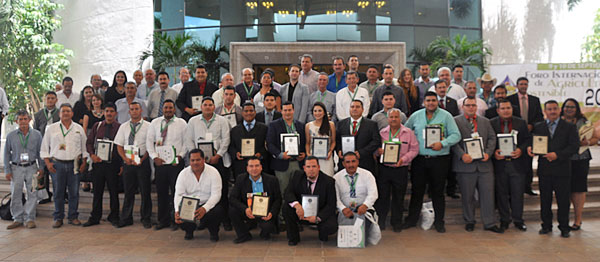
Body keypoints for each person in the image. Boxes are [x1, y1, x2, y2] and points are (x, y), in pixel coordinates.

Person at [402, 91, 461, 233]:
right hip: (420, 160)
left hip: (439, 160)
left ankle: (439, 222)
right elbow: (406, 131)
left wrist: (443, 143)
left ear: (437, 102)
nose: (431, 103)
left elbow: (456, 135)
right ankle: (412, 220)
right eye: (428, 100)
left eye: (433, 100)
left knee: (438, 192)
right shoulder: (416, 116)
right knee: (417, 191)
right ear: (424, 102)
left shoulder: (446, 116)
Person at [528, 100, 579, 238]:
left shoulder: (569, 127)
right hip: (545, 170)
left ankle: (564, 227)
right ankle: (546, 226)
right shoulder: (539, 127)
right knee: (545, 200)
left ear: (559, 110)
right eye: (549, 109)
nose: (552, 111)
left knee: (563, 200)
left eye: (555, 109)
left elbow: (574, 147)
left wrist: (557, 155)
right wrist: (531, 149)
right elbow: (535, 145)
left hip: (562, 169)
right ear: (545, 111)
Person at [452, 97, 503, 233]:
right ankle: (469, 220)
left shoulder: (485, 122)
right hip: (465, 165)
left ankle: (489, 222)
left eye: (473, 105)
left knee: (488, 195)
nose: (471, 108)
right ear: (462, 107)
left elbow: (492, 138)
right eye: (468, 105)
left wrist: (488, 153)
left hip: (484, 165)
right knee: (467, 196)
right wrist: (462, 155)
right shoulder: (455, 121)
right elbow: (453, 141)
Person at [185, 97, 232, 231]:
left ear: (214, 106)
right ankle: (201, 218)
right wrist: (196, 158)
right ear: (201, 106)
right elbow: (189, 140)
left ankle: (225, 220)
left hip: (218, 160)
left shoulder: (222, 121)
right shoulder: (193, 121)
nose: (207, 107)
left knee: (221, 191)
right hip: (199, 163)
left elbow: (226, 139)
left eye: (210, 105)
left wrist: (218, 155)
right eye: (205, 105)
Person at [40, 104, 88, 228]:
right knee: (58, 193)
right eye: (63, 111)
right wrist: (48, 163)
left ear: (72, 113)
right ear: (59, 114)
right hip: (57, 164)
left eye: (68, 111)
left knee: (74, 193)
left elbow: (84, 147)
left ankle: (73, 216)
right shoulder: (51, 128)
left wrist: (84, 162)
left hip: (74, 165)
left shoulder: (78, 128)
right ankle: (58, 217)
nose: (65, 113)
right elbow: (44, 147)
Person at [373, 108, 418, 231]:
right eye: (391, 117)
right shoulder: (382, 132)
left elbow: (414, 150)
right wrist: (378, 151)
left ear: (401, 118)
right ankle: (381, 221)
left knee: (399, 197)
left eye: (396, 117)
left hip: (400, 169)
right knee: (383, 197)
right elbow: (375, 150)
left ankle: (396, 222)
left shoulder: (408, 133)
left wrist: (404, 159)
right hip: (384, 169)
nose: (393, 119)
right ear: (388, 119)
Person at [146, 99, 187, 230]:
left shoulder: (181, 123)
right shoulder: (155, 123)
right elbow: (149, 142)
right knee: (161, 192)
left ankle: (176, 220)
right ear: (162, 109)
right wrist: (154, 157)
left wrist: (180, 156)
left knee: (177, 192)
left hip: (176, 164)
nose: (168, 110)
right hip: (160, 163)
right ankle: (163, 220)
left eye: (170, 108)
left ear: (174, 109)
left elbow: (186, 142)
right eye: (166, 108)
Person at [490, 98, 530, 231]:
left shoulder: (520, 123)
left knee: (517, 193)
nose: (506, 111)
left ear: (512, 109)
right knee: (501, 194)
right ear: (498, 110)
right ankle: (504, 220)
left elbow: (527, 140)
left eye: (508, 108)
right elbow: (489, 142)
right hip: (500, 164)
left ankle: (518, 220)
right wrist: (494, 152)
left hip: (517, 164)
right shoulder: (492, 123)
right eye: (503, 108)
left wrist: (521, 150)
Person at [561, 98, 598, 231]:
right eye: (567, 106)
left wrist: (587, 142)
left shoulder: (584, 122)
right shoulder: (559, 122)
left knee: (579, 189)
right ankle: (563, 221)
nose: (569, 109)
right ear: (563, 108)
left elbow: (595, 137)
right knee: (564, 190)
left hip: (581, 159)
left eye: (572, 107)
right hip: (563, 160)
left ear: (576, 109)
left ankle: (578, 220)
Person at [82, 103, 121, 227]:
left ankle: (114, 216)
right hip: (98, 164)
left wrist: (121, 164)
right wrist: (92, 155)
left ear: (115, 113)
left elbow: (122, 147)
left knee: (114, 192)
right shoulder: (97, 126)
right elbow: (88, 143)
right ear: (104, 112)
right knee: (97, 192)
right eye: (107, 111)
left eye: (111, 111)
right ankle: (95, 217)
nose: (109, 113)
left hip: (113, 164)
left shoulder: (120, 128)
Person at [114, 102, 152, 228]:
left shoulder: (148, 126)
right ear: (129, 112)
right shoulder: (123, 127)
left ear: (141, 111)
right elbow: (119, 145)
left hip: (142, 161)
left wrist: (143, 158)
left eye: (136, 109)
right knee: (128, 191)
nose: (134, 111)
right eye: (132, 109)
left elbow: (150, 145)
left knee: (145, 191)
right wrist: (125, 158)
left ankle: (146, 218)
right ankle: (126, 218)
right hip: (128, 161)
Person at [283, 157, 337, 245]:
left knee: (331, 226)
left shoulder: (329, 181)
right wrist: (297, 206)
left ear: (319, 167)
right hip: (301, 212)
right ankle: (293, 238)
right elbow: (288, 193)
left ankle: (323, 233)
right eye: (308, 167)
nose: (311, 169)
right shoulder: (297, 176)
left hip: (319, 212)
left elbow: (331, 204)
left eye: (314, 166)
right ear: (304, 168)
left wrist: (317, 217)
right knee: (286, 208)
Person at [3, 110, 44, 229]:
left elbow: (40, 152)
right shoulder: (11, 136)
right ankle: (17, 218)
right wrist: (7, 170)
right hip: (16, 168)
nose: (23, 122)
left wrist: (41, 167)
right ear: (16, 121)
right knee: (16, 193)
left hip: (32, 167)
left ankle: (30, 218)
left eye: (25, 119)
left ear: (29, 120)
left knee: (33, 193)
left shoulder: (37, 134)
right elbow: (6, 154)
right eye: (20, 119)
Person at [174, 149, 224, 241]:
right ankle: (189, 230)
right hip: (190, 204)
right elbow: (179, 194)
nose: (195, 163)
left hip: (207, 204)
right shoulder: (183, 174)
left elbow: (216, 195)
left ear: (203, 160)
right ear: (189, 161)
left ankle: (213, 232)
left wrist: (205, 208)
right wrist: (178, 210)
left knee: (218, 210)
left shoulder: (213, 172)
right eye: (193, 160)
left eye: (198, 160)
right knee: (175, 213)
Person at [229, 157, 281, 243]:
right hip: (248, 210)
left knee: (268, 227)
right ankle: (244, 235)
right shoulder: (241, 179)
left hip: (266, 213)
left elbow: (278, 199)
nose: (254, 169)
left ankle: (265, 233)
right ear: (247, 168)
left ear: (261, 167)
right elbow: (232, 198)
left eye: (257, 166)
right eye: (251, 166)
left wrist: (272, 213)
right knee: (232, 210)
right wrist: (245, 209)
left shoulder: (272, 180)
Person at [508, 77, 544, 196]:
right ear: (517, 86)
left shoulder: (535, 100)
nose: (523, 86)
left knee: (528, 162)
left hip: (530, 134)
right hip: (514, 134)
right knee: (516, 161)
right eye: (521, 84)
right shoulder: (510, 99)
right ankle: (514, 188)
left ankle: (527, 187)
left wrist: (532, 126)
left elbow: (539, 117)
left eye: (525, 84)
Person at [266, 102, 307, 201]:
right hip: (281, 164)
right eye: (285, 110)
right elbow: (269, 144)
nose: (287, 112)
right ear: (281, 111)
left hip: (297, 163)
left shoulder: (301, 125)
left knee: (298, 190)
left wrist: (303, 154)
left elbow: (305, 143)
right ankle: (282, 215)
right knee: (283, 191)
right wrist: (280, 155)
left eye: (289, 110)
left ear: (293, 110)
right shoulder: (274, 125)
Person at [334, 152, 378, 235]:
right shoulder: (336, 178)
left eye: (353, 161)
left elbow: (373, 194)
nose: (351, 165)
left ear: (358, 162)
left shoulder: (367, 175)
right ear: (343, 164)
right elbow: (335, 198)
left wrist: (365, 205)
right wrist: (343, 208)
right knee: (345, 236)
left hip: (364, 209)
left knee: (362, 236)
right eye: (348, 162)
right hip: (345, 210)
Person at [335, 100, 381, 171]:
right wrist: (339, 150)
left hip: (365, 162)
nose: (354, 109)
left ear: (363, 109)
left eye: (357, 107)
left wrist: (361, 152)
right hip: (345, 162)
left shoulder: (372, 124)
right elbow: (337, 140)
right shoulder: (341, 124)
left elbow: (376, 141)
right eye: (352, 107)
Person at [228, 102, 269, 176]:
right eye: (246, 111)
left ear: (255, 112)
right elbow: (231, 147)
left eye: (251, 111)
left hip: (259, 166)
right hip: (241, 167)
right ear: (242, 113)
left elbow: (268, 145)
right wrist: (236, 154)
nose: (249, 113)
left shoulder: (264, 128)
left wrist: (261, 153)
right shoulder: (234, 130)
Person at [33, 91, 60, 204]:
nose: (50, 100)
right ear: (45, 100)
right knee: (43, 170)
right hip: (43, 146)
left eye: (52, 98)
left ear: (56, 100)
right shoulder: (38, 114)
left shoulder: (60, 113)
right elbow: (35, 131)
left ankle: (59, 194)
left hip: (56, 146)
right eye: (48, 98)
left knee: (56, 171)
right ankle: (45, 195)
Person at [305, 102, 336, 176]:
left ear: (324, 112)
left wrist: (330, 152)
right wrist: (308, 154)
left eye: (319, 111)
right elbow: (307, 143)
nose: (317, 113)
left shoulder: (331, 125)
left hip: (326, 157)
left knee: (328, 178)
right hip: (313, 157)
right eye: (315, 111)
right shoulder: (308, 126)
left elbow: (333, 142)